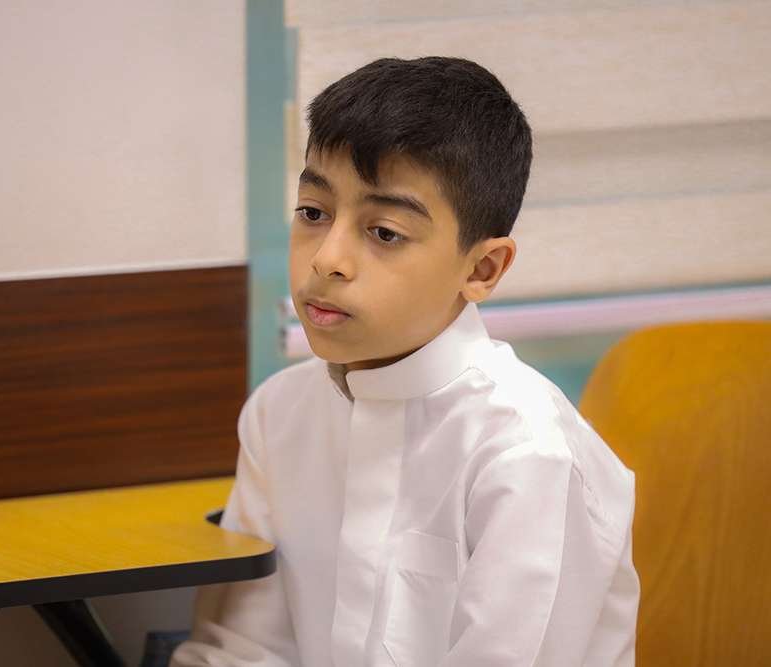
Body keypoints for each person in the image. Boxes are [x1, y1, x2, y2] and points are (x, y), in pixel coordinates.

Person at [170, 56, 639, 667]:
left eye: (384, 232)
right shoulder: (279, 412)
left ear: (482, 268)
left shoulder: (529, 456)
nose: (327, 259)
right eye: (313, 213)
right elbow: (240, 649)